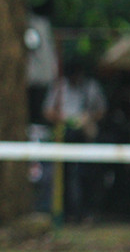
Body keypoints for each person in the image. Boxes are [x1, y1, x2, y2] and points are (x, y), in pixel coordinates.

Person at [42, 58, 107, 222]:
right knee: (62, 175)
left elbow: (101, 110)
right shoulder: (59, 87)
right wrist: (62, 118)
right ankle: (65, 212)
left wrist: (87, 118)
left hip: (85, 136)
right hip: (65, 134)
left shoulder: (91, 87)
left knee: (86, 174)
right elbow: (47, 111)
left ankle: (85, 211)